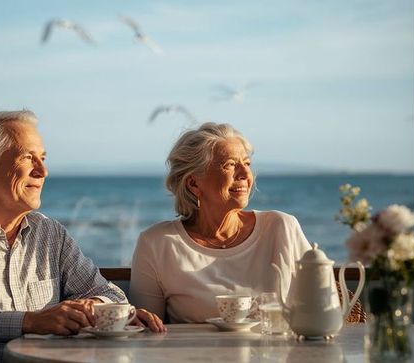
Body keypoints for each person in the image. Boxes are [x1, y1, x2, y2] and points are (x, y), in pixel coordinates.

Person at [0, 110, 165, 362]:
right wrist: (29, 321)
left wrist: (92, 309)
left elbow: (111, 295)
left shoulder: (50, 234)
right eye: (27, 158)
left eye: (42, 158)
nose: (42, 171)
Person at [129, 122, 312, 323]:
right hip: (191, 355)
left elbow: (319, 308)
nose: (244, 174)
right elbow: (144, 332)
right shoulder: (156, 243)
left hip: (276, 354)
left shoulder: (282, 228)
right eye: (230, 165)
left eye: (247, 163)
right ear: (193, 183)